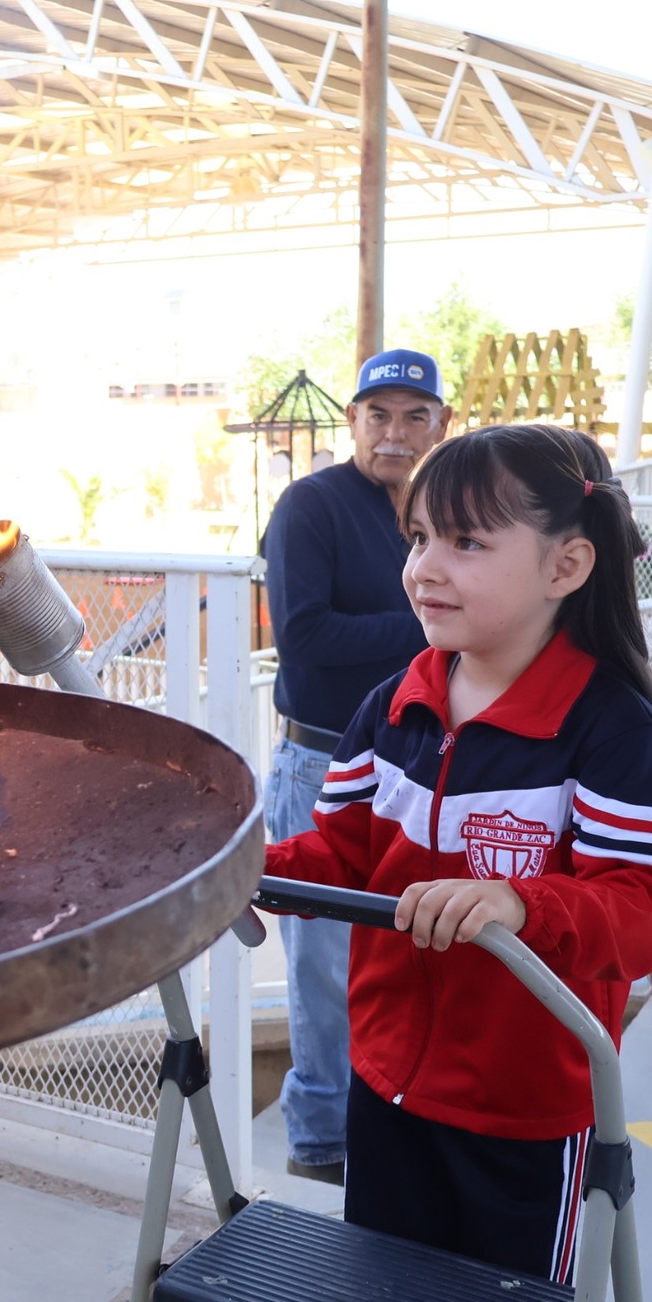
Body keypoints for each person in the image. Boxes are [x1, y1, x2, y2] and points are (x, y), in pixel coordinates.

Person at [259, 424, 652, 1281]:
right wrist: (258, 869)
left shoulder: (611, 731)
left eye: (467, 542)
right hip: (385, 1080)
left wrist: (520, 903)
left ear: (565, 567)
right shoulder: (393, 707)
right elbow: (344, 854)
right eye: (421, 537)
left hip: (523, 1117)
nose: (425, 567)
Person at [261, 347, 451, 1185]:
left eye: (416, 415)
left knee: (400, 956)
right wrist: (436, 621)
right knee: (324, 970)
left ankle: (383, 1124)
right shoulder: (312, 505)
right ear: (353, 422)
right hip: (319, 759)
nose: (396, 431)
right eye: (380, 414)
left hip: (409, 768)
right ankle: (320, 1143)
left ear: (442, 424)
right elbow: (303, 636)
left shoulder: (438, 510)